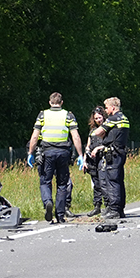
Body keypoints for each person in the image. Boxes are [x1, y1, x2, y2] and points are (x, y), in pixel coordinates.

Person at [27, 92, 83, 224]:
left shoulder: (43, 115)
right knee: (62, 184)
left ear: (50, 102)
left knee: (45, 181)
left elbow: (35, 136)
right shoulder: (68, 115)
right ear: (61, 102)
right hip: (63, 152)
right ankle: (60, 215)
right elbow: (75, 136)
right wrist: (81, 155)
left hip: (47, 152)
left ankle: (48, 202)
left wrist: (30, 153)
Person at [88, 96, 129, 220]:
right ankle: (120, 209)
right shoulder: (124, 118)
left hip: (112, 153)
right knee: (119, 181)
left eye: (107, 108)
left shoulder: (113, 119)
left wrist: (102, 134)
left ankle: (114, 209)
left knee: (112, 182)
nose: (106, 110)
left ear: (113, 107)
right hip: (120, 152)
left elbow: (97, 132)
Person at [83, 105, 108, 217]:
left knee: (104, 183)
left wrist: (98, 149)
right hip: (92, 160)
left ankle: (108, 206)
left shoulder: (107, 129)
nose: (98, 120)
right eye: (96, 118)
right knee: (96, 184)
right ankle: (97, 206)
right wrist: (84, 161)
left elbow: (109, 144)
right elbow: (88, 146)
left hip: (103, 158)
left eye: (99, 118)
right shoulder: (93, 131)